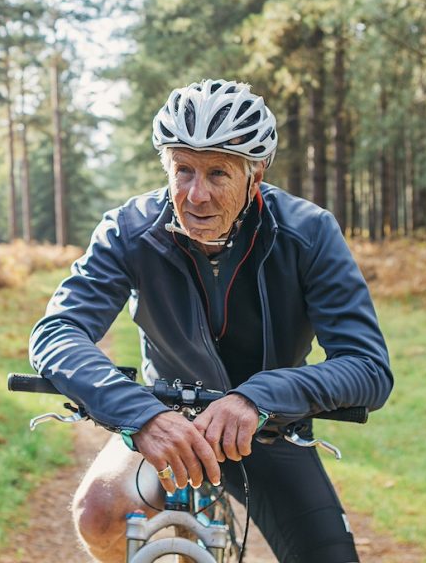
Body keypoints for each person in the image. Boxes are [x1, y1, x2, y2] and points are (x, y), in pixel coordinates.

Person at [28, 79, 393, 562]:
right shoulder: (129, 231)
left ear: (255, 173)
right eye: (183, 171)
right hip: (165, 417)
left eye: (218, 173)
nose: (196, 195)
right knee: (98, 512)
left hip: (268, 424)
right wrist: (141, 415)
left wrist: (258, 397)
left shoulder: (309, 233)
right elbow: (57, 333)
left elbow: (368, 366)